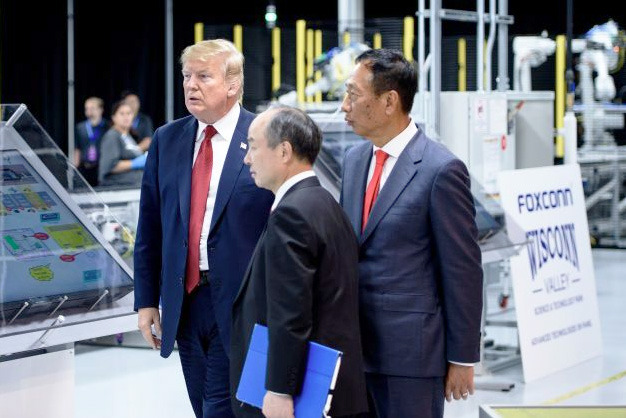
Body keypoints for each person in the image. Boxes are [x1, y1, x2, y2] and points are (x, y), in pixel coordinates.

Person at [133, 39, 274, 418]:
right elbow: (150, 227)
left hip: (245, 306)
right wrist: (147, 300)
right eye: (186, 76)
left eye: (203, 76)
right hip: (186, 302)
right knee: (203, 405)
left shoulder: (266, 136)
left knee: (223, 408)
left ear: (232, 84)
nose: (190, 85)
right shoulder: (168, 139)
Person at [340, 49, 483, 418]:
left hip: (412, 359)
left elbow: (462, 271)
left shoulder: (441, 170)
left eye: (353, 95)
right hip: (355, 349)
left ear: (389, 101)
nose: (344, 106)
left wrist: (462, 357)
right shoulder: (355, 161)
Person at [230, 106, 368, 418]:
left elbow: (290, 312)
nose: (247, 159)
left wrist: (279, 390)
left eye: (253, 146)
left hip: (300, 393)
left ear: (284, 151)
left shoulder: (292, 214)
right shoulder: (324, 203)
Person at [98, 100, 146, 187]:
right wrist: (134, 163)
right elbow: (109, 166)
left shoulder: (128, 136)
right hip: (116, 191)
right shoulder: (112, 136)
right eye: (122, 114)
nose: (126, 117)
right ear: (114, 117)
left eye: (129, 113)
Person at [74, 97, 108, 186]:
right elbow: (77, 148)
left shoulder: (107, 126)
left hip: (100, 167)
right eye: (87, 108)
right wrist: (75, 167)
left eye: (92, 108)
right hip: (84, 167)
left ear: (100, 109)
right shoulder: (80, 127)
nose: (89, 111)